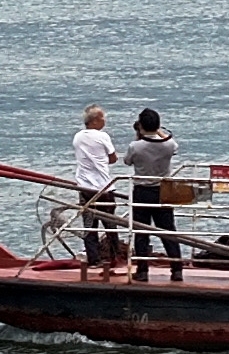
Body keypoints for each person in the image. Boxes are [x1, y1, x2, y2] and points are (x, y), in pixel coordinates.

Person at [123, 108, 183, 282]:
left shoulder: (136, 146)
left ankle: (142, 271)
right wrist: (158, 130)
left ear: (140, 126)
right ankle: (177, 269)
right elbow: (171, 144)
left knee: (141, 232)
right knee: (169, 231)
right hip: (164, 190)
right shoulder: (169, 144)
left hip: (142, 191)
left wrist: (139, 136)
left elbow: (127, 161)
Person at [72, 105, 121, 275]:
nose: (104, 120)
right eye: (102, 118)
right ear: (94, 121)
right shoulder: (103, 136)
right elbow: (113, 158)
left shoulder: (78, 137)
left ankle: (93, 259)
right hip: (103, 186)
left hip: (84, 186)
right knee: (110, 223)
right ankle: (115, 257)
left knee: (89, 224)